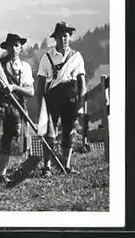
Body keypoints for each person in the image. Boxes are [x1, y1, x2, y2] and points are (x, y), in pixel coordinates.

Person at [0, 33, 35, 187]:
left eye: (17, 45)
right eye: (11, 45)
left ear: (21, 47)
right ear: (6, 47)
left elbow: (31, 91)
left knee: (8, 141)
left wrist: (15, 87)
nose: (14, 48)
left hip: (16, 108)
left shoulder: (25, 67)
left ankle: (1, 175)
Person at [36, 21, 86, 177]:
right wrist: (41, 105)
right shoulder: (47, 57)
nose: (64, 39)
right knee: (50, 133)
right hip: (52, 97)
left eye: (66, 36)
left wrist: (80, 104)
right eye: (60, 37)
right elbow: (40, 84)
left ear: (69, 37)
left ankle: (66, 165)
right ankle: (47, 167)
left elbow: (81, 82)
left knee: (68, 131)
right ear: (55, 38)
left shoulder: (76, 57)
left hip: (70, 97)